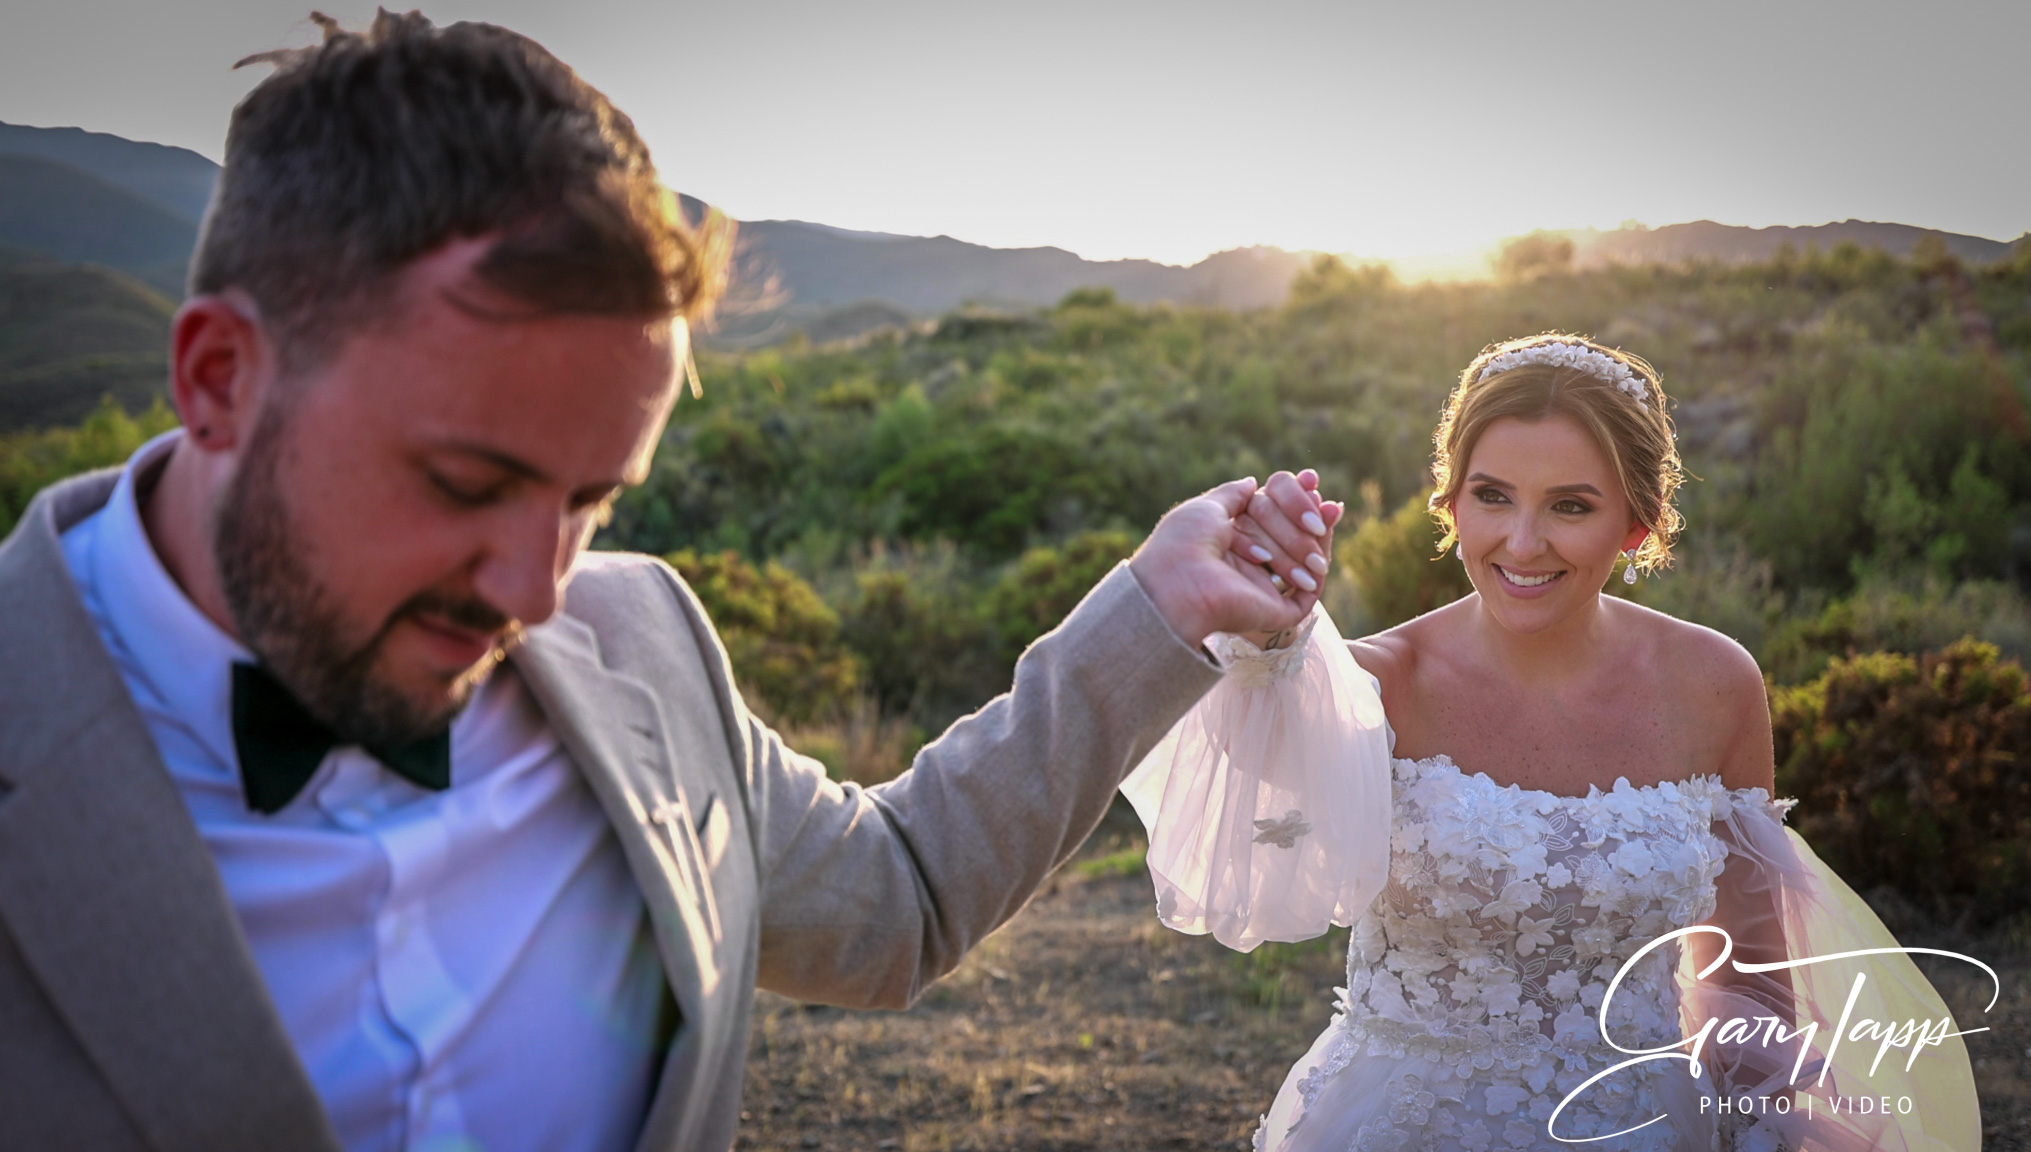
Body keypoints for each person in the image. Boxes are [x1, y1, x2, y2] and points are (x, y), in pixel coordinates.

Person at [0, 12, 1345, 1151]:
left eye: (590, 501)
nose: (534, 594)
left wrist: (1160, 608)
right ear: (220, 378)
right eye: (466, 483)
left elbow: (900, 900)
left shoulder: (637, 633)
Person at [1125, 335, 1986, 1150]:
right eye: (1491, 496)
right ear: (1451, 501)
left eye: (1570, 506)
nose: (1522, 543)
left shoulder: (1715, 683)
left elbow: (1751, 984)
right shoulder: (1373, 684)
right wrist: (1265, 644)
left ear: (1638, 525)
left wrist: (1755, 1130)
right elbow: (1249, 840)